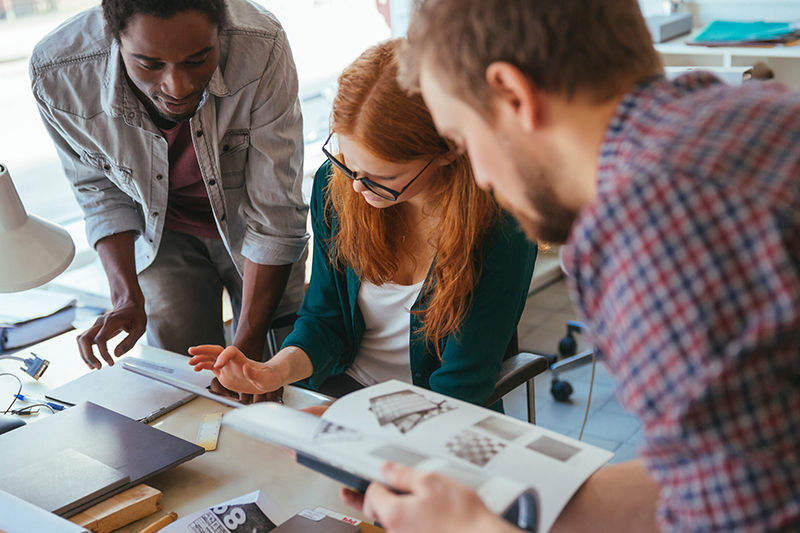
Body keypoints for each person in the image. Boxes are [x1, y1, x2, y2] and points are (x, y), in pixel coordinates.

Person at [340, 0, 800, 531]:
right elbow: (719, 471)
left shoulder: (647, 219)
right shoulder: (727, 115)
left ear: (514, 95)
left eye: (465, 141)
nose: (482, 177)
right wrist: (495, 506)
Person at [188, 39, 537, 407]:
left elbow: (461, 385)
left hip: (434, 416)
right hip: (343, 391)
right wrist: (272, 371)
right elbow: (325, 320)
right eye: (348, 163)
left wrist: (350, 425)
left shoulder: (502, 224)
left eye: (381, 177)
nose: (357, 186)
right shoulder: (336, 186)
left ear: (448, 150)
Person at [29, 0, 308, 401]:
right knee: (189, 391)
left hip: (256, 230)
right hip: (161, 233)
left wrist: (247, 346)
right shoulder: (60, 73)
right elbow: (99, 191)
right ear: (115, 37)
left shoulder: (261, 45)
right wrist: (125, 293)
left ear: (222, 29)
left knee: (280, 381)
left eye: (199, 59)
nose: (178, 87)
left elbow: (276, 211)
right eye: (149, 64)